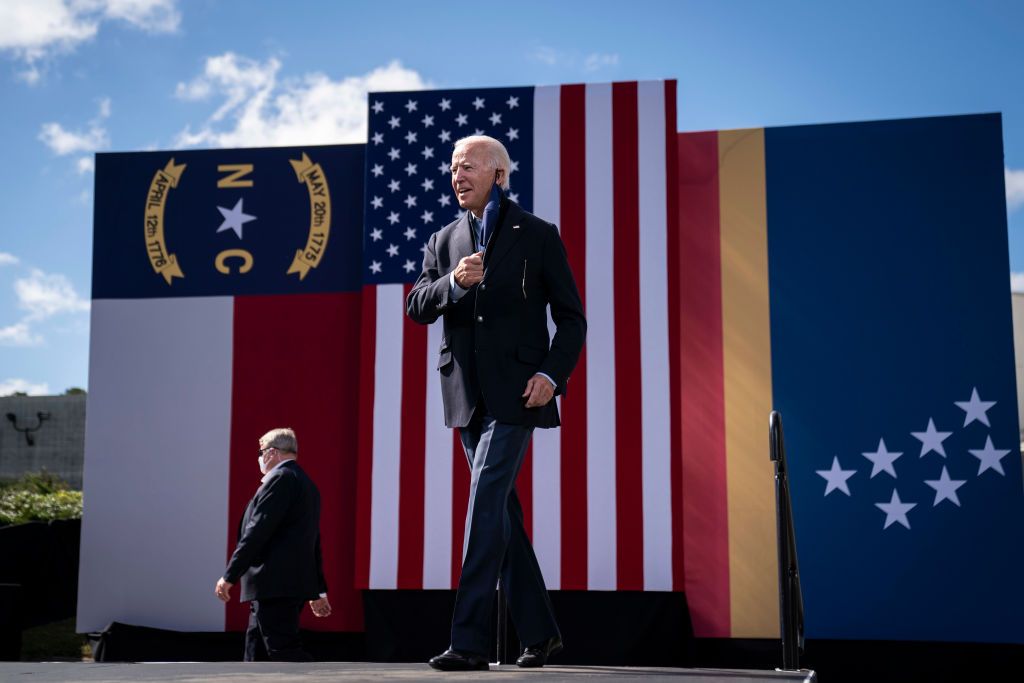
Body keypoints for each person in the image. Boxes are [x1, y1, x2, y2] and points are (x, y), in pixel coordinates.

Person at [407, 135, 587, 671]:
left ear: (499, 175)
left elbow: (572, 320)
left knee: (485, 504)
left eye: (467, 167)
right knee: (501, 514)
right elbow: (417, 304)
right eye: (452, 168)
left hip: (518, 395)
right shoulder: (443, 240)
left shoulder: (537, 235)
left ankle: (469, 642)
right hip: (466, 397)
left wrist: (552, 375)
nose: (456, 176)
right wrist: (453, 284)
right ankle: (542, 634)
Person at [214, 428, 331, 662]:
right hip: (285, 585)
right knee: (255, 652)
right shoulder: (306, 483)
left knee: (284, 652)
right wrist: (318, 589)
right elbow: (312, 541)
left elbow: (257, 531)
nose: (259, 458)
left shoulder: (281, 479)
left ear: (272, 453)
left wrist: (230, 575)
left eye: (260, 452)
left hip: (274, 584)